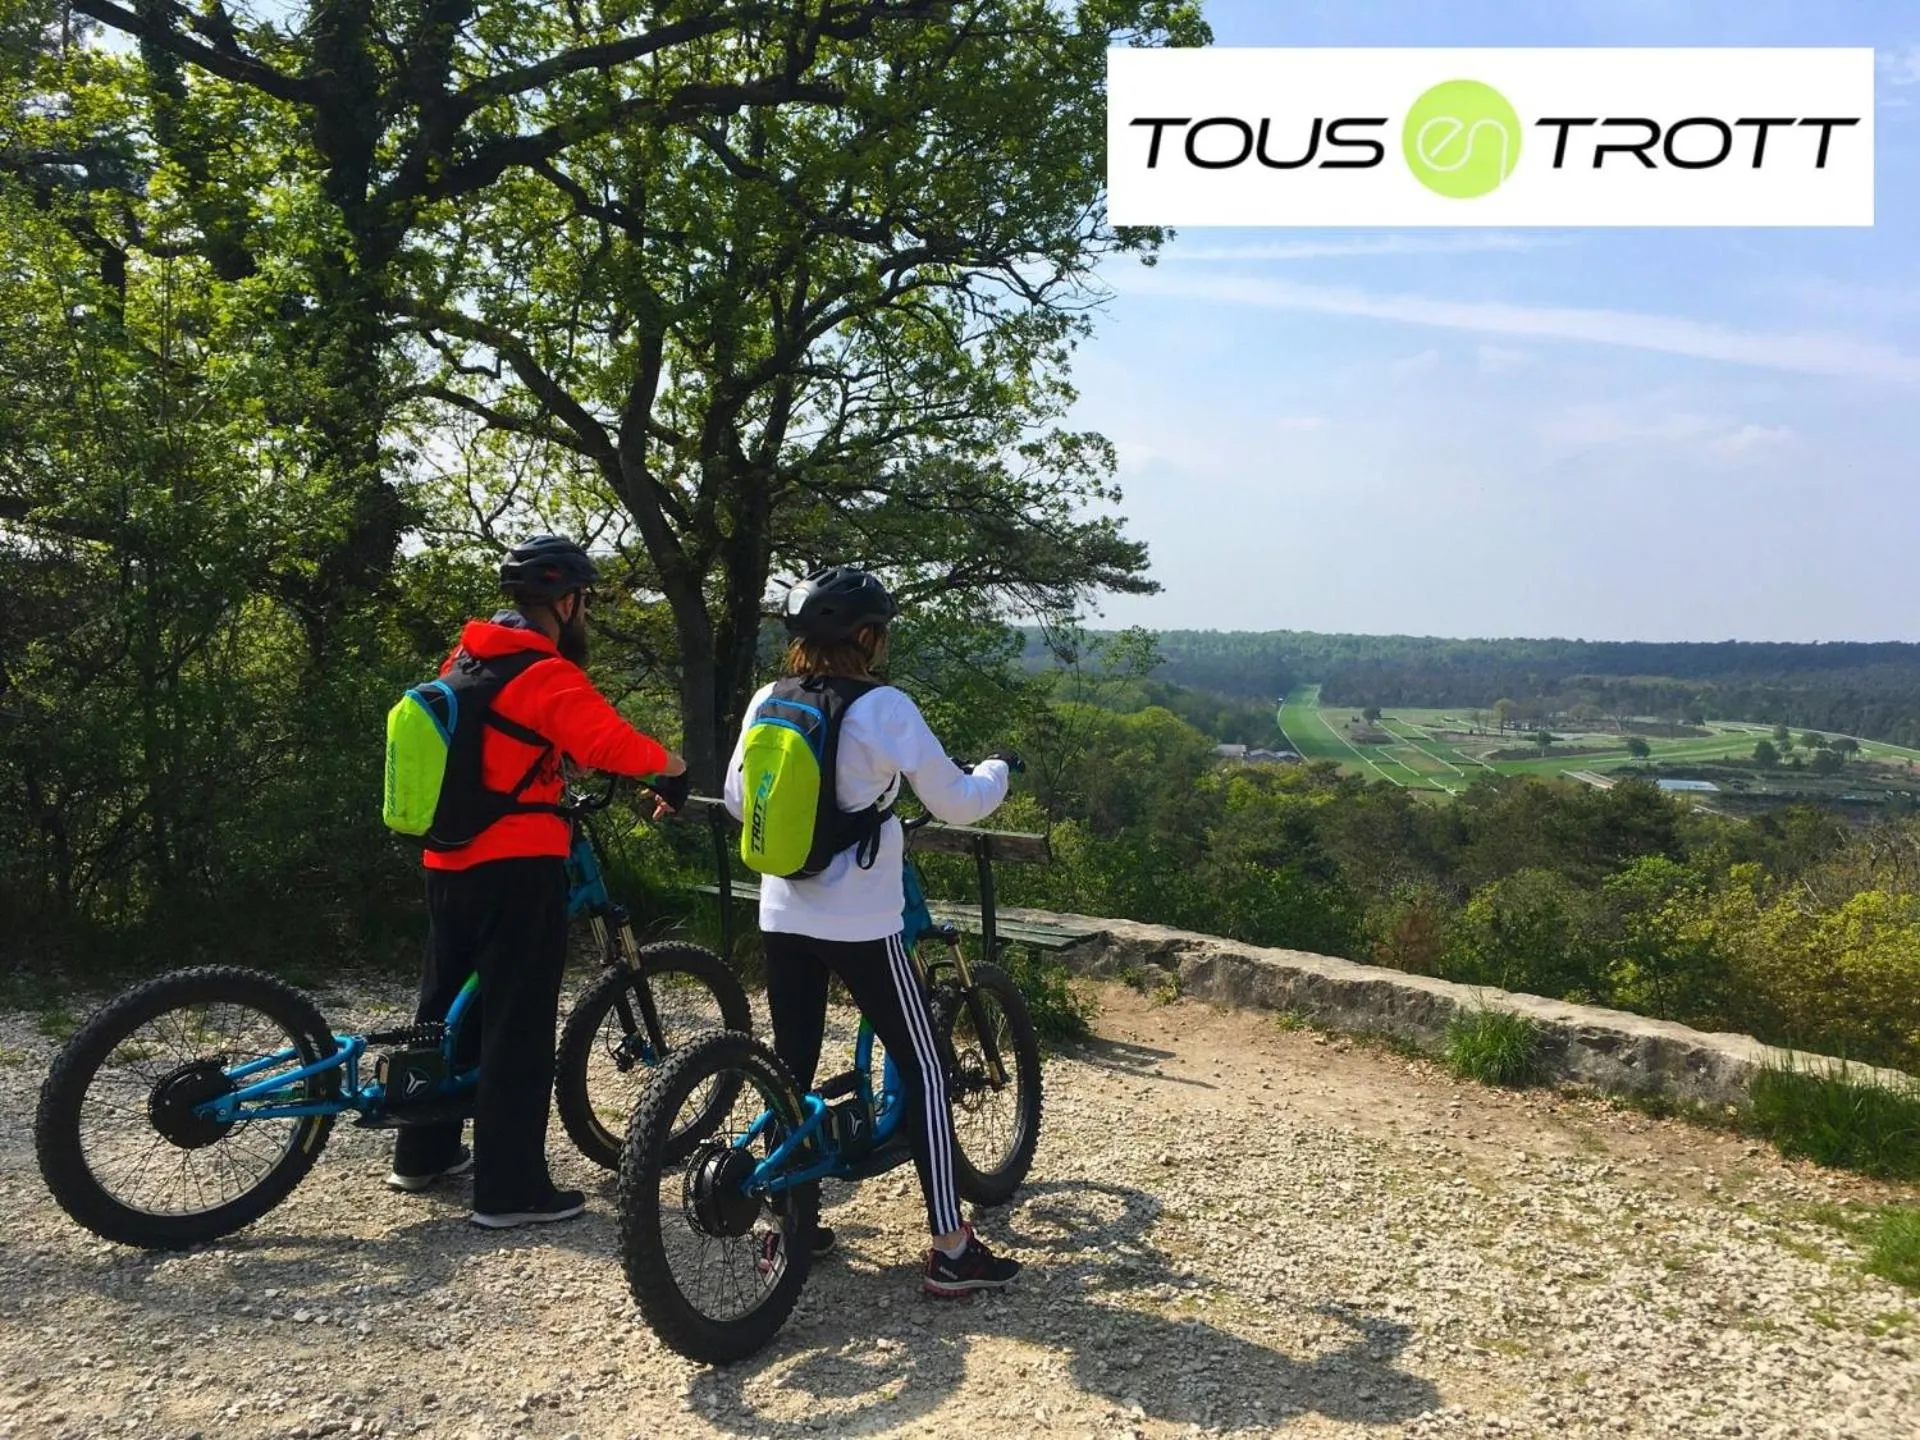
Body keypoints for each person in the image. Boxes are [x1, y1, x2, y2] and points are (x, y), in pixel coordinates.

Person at [722, 565, 1024, 1296]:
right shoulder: (884, 707)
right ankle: (954, 1249)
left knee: (787, 1068)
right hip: (861, 919)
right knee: (924, 1066)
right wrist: (999, 771)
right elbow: (954, 802)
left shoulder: (769, 698)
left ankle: (786, 1229)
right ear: (866, 637)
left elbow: (737, 799)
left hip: (781, 908)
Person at [388, 534, 690, 1228]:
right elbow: (612, 742)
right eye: (582, 603)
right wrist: (672, 766)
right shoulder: (544, 671)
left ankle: (423, 1151)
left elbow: (501, 744)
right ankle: (510, 1189)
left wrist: (556, 759)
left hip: (446, 859)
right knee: (517, 1025)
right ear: (568, 600)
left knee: (443, 1011)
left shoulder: (467, 659)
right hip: (516, 864)